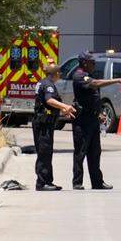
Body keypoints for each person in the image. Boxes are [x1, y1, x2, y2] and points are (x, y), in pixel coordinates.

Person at [70, 52, 121, 190]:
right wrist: (117, 80)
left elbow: (93, 97)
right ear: (84, 63)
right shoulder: (79, 76)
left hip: (92, 119)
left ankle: (97, 182)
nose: (94, 65)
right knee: (81, 151)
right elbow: (95, 84)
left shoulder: (88, 75)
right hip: (82, 120)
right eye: (92, 62)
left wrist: (99, 113)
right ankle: (77, 182)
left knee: (95, 152)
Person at [32, 62, 75, 191]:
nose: (60, 75)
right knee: (44, 152)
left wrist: (62, 111)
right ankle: (42, 182)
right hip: (43, 124)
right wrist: (65, 106)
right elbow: (49, 100)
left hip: (45, 122)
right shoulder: (48, 85)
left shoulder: (43, 82)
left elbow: (48, 104)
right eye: (59, 73)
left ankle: (47, 181)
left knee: (46, 152)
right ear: (56, 74)